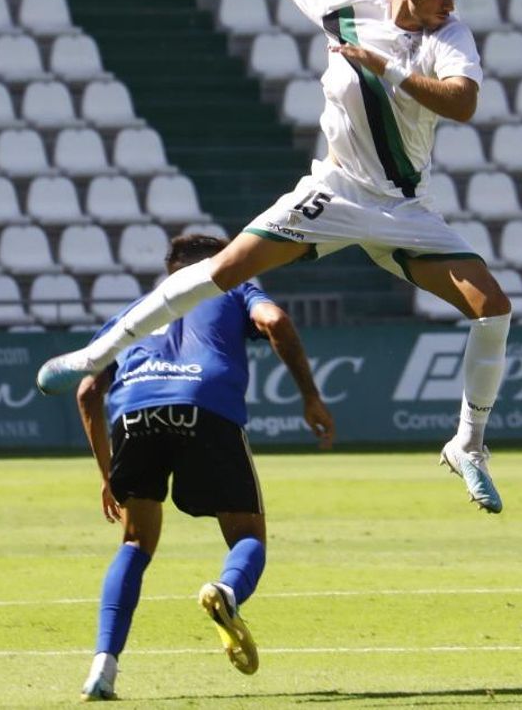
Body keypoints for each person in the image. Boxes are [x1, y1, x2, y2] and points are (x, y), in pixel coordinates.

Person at [39, 0, 513, 515]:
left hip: (405, 209)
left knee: (492, 307)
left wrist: (389, 68)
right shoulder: (347, 4)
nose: (451, 5)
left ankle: (467, 445)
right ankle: (93, 355)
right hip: (335, 190)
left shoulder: (448, 38)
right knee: (224, 270)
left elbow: (463, 104)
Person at [73, 233, 335, 701]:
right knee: (247, 535)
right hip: (205, 403)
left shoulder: (139, 308)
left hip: (134, 410)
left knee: (134, 543)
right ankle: (227, 592)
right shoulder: (232, 286)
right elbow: (274, 320)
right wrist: (310, 397)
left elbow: (88, 393)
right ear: (221, 262)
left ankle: (101, 669)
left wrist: (107, 474)